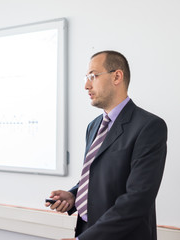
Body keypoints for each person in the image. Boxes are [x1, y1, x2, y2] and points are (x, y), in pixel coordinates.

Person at [45, 50, 167, 240]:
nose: (86, 85)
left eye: (93, 76)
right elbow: (97, 176)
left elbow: (137, 199)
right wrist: (74, 196)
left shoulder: (149, 126)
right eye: (86, 78)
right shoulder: (93, 126)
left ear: (117, 76)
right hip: (87, 230)